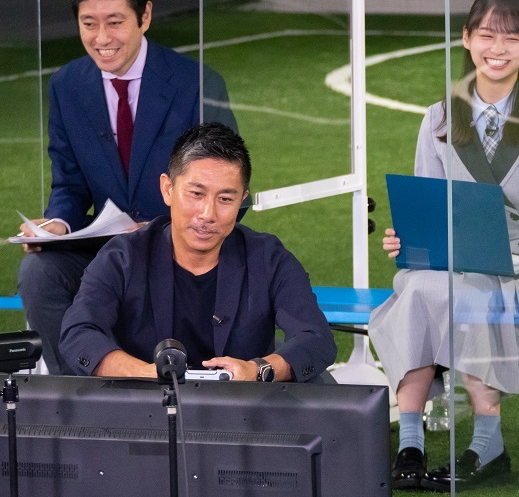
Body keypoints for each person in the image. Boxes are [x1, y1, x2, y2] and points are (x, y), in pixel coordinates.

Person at [369, 0, 519, 491]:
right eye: (487, 35)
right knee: (418, 287)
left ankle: (488, 444)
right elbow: (429, 208)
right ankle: (410, 444)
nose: (498, 48)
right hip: (458, 263)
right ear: (467, 39)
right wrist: (408, 240)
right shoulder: (437, 117)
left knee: (469, 295)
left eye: (512, 38)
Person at [17, 0, 236, 375]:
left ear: (145, 16)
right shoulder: (67, 85)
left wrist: (164, 227)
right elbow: (69, 184)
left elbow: (228, 188)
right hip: (107, 251)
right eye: (89, 24)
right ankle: (79, 391)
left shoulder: (195, 83)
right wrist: (58, 224)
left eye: (115, 22)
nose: (101, 38)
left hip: (181, 247)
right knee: (39, 270)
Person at [58, 122, 337, 382]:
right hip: (147, 407)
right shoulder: (123, 257)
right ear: (168, 189)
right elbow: (78, 333)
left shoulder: (268, 258)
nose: (207, 214)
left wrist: (259, 370)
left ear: (242, 199)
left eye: (225, 199)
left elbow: (316, 337)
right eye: (196, 194)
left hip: (243, 409)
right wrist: (145, 373)